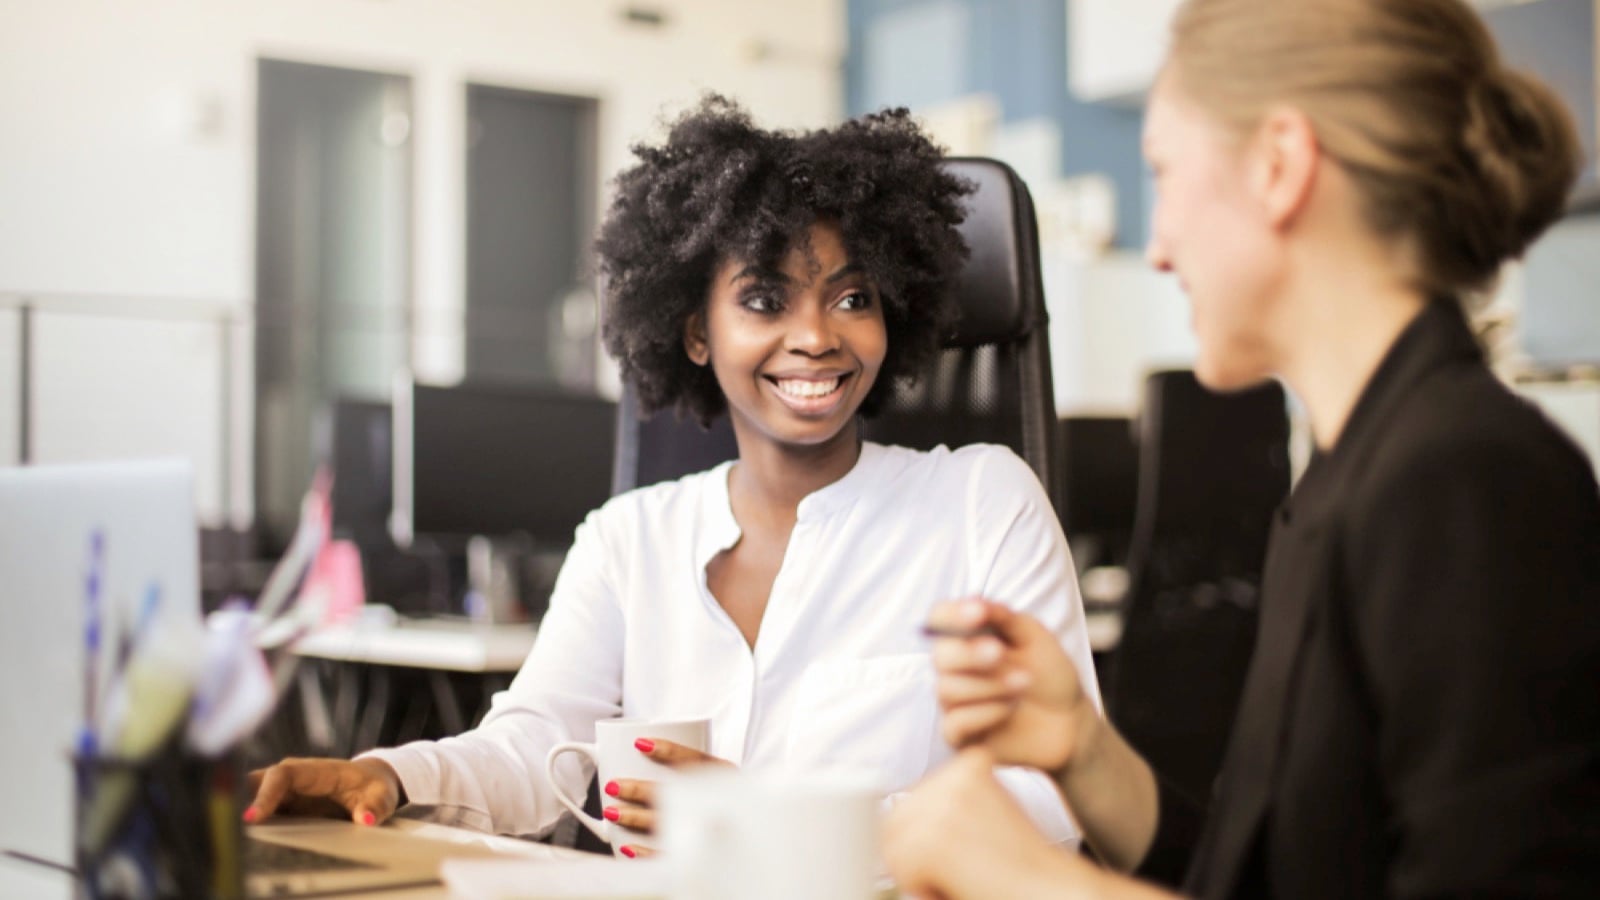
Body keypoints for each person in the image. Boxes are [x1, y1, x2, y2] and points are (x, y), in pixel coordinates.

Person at [245, 96, 1100, 857]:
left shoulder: (981, 501)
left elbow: (1053, 793)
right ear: (695, 332)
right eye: (766, 300)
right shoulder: (629, 536)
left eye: (852, 298)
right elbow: (533, 747)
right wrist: (388, 776)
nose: (816, 336)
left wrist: (778, 818)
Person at [883, 0, 1600, 897]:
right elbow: (1269, 876)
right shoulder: (1345, 482)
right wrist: (1083, 748)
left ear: (1279, 166)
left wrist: (1029, 881)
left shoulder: (1466, 481)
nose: (1160, 250)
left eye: (1165, 174)